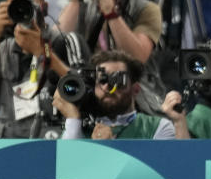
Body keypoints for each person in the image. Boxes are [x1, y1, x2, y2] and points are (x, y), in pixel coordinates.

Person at [0, 0, 84, 139]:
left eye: (28, 4)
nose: (22, 11)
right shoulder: (3, 48)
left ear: (44, 7)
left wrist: (43, 54)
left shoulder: (64, 42)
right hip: (10, 145)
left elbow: (83, 91)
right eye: (15, 6)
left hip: (54, 143)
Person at [53, 50, 182, 140]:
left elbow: (161, 173)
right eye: (101, 80)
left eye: (118, 80)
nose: (107, 86)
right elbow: (65, 172)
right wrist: (73, 119)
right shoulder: (79, 127)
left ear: (136, 89)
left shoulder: (157, 127)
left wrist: (111, 149)